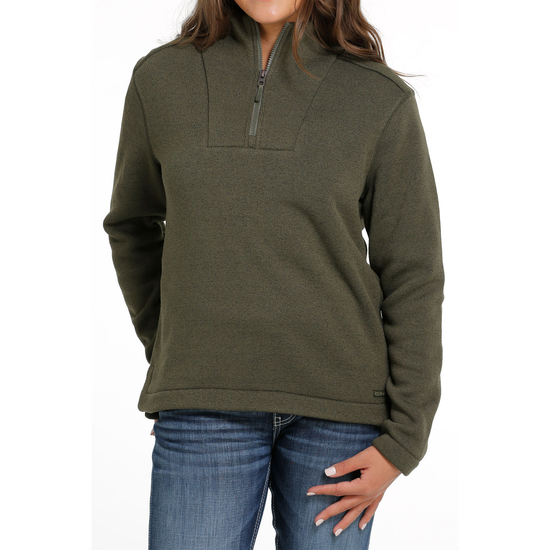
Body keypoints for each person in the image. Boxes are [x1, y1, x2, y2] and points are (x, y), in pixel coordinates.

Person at [102, 0, 445, 548]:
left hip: (340, 413)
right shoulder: (161, 79)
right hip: (203, 404)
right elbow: (131, 224)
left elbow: (414, 273)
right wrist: (174, 347)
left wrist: (405, 439)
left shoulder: (379, 97)